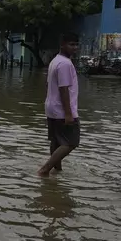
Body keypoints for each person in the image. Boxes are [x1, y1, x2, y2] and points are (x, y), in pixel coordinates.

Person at [38, 32, 80, 177]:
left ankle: (57, 170)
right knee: (71, 142)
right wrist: (68, 114)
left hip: (52, 107)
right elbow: (64, 89)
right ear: (62, 45)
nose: (74, 47)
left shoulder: (55, 61)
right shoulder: (64, 64)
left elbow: (49, 84)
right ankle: (45, 169)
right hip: (62, 110)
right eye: (71, 44)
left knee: (56, 141)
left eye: (76, 44)